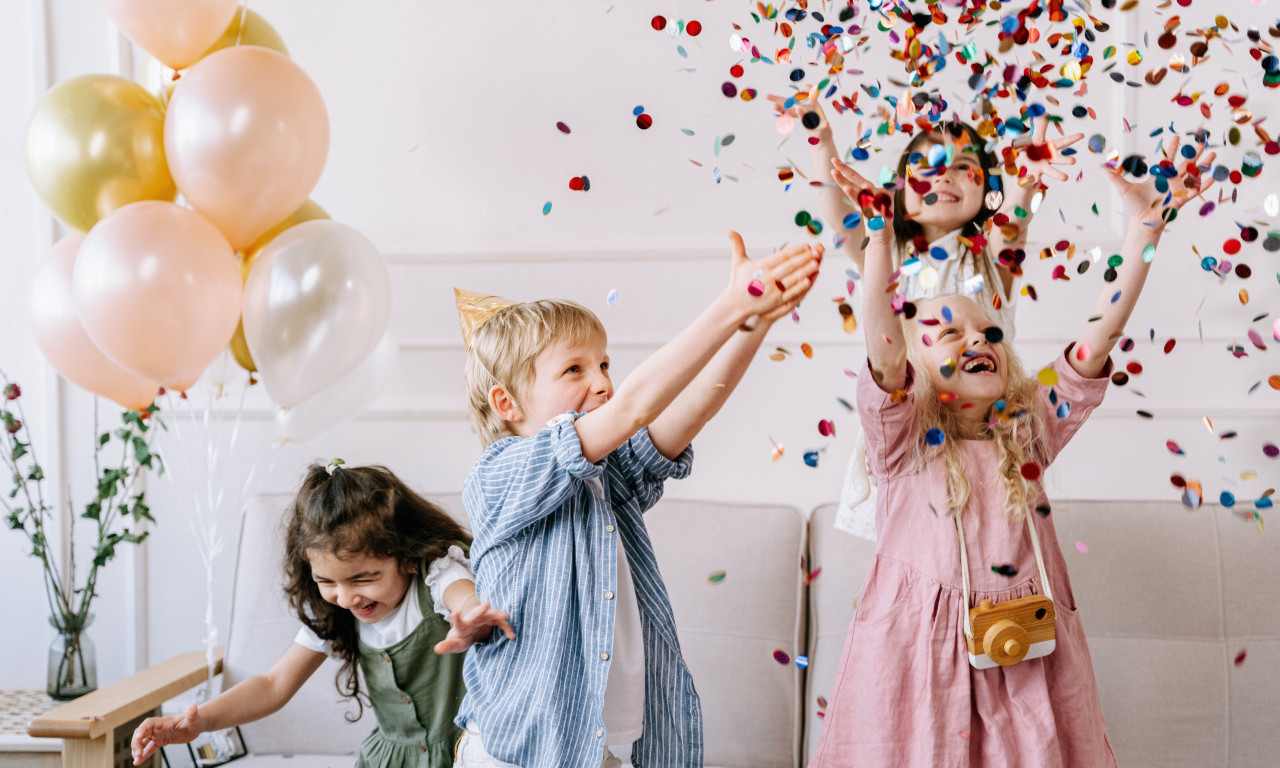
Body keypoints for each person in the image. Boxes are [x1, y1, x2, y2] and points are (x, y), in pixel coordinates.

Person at [807, 137, 1213, 766]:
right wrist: (882, 241)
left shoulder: (1026, 429)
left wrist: (1143, 235)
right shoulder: (902, 443)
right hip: (916, 670)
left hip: (1029, 665)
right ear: (916, 365)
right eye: (948, 332)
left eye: (989, 332)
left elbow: (1097, 338)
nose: (977, 338)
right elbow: (883, 346)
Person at [452, 234, 822, 768]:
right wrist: (732, 303)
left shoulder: (601, 479)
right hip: (517, 751)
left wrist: (754, 322)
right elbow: (632, 409)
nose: (602, 382)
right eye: (574, 370)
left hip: (595, 747)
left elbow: (687, 411)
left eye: (604, 365)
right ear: (506, 403)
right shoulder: (498, 476)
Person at [770, 87, 1082, 541]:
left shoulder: (990, 256)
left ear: (987, 189)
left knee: (985, 550)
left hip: (982, 437)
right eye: (927, 168)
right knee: (910, 563)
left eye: (962, 167)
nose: (944, 177)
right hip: (909, 437)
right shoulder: (887, 254)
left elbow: (1014, 223)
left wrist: (1028, 181)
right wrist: (821, 131)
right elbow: (836, 211)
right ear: (899, 194)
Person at [130, 462, 514, 768]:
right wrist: (200, 722)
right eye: (326, 581)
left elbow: (463, 596)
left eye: (363, 578)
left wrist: (470, 616)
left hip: (463, 754)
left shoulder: (437, 573)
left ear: (407, 556)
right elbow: (273, 684)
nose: (346, 597)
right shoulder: (335, 614)